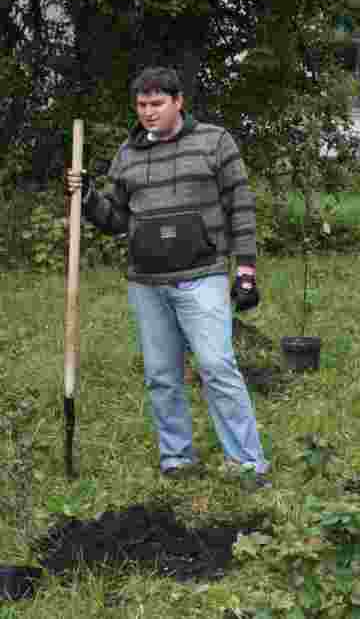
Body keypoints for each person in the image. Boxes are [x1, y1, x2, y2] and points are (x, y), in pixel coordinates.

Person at [66, 66, 270, 489]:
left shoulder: (215, 141)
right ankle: (176, 458)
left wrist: (246, 270)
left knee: (216, 366)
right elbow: (117, 219)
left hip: (203, 276)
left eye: (156, 103)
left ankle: (248, 463)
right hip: (147, 282)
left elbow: (242, 206)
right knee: (161, 375)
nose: (148, 112)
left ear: (179, 102)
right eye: (141, 105)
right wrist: (87, 198)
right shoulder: (128, 154)